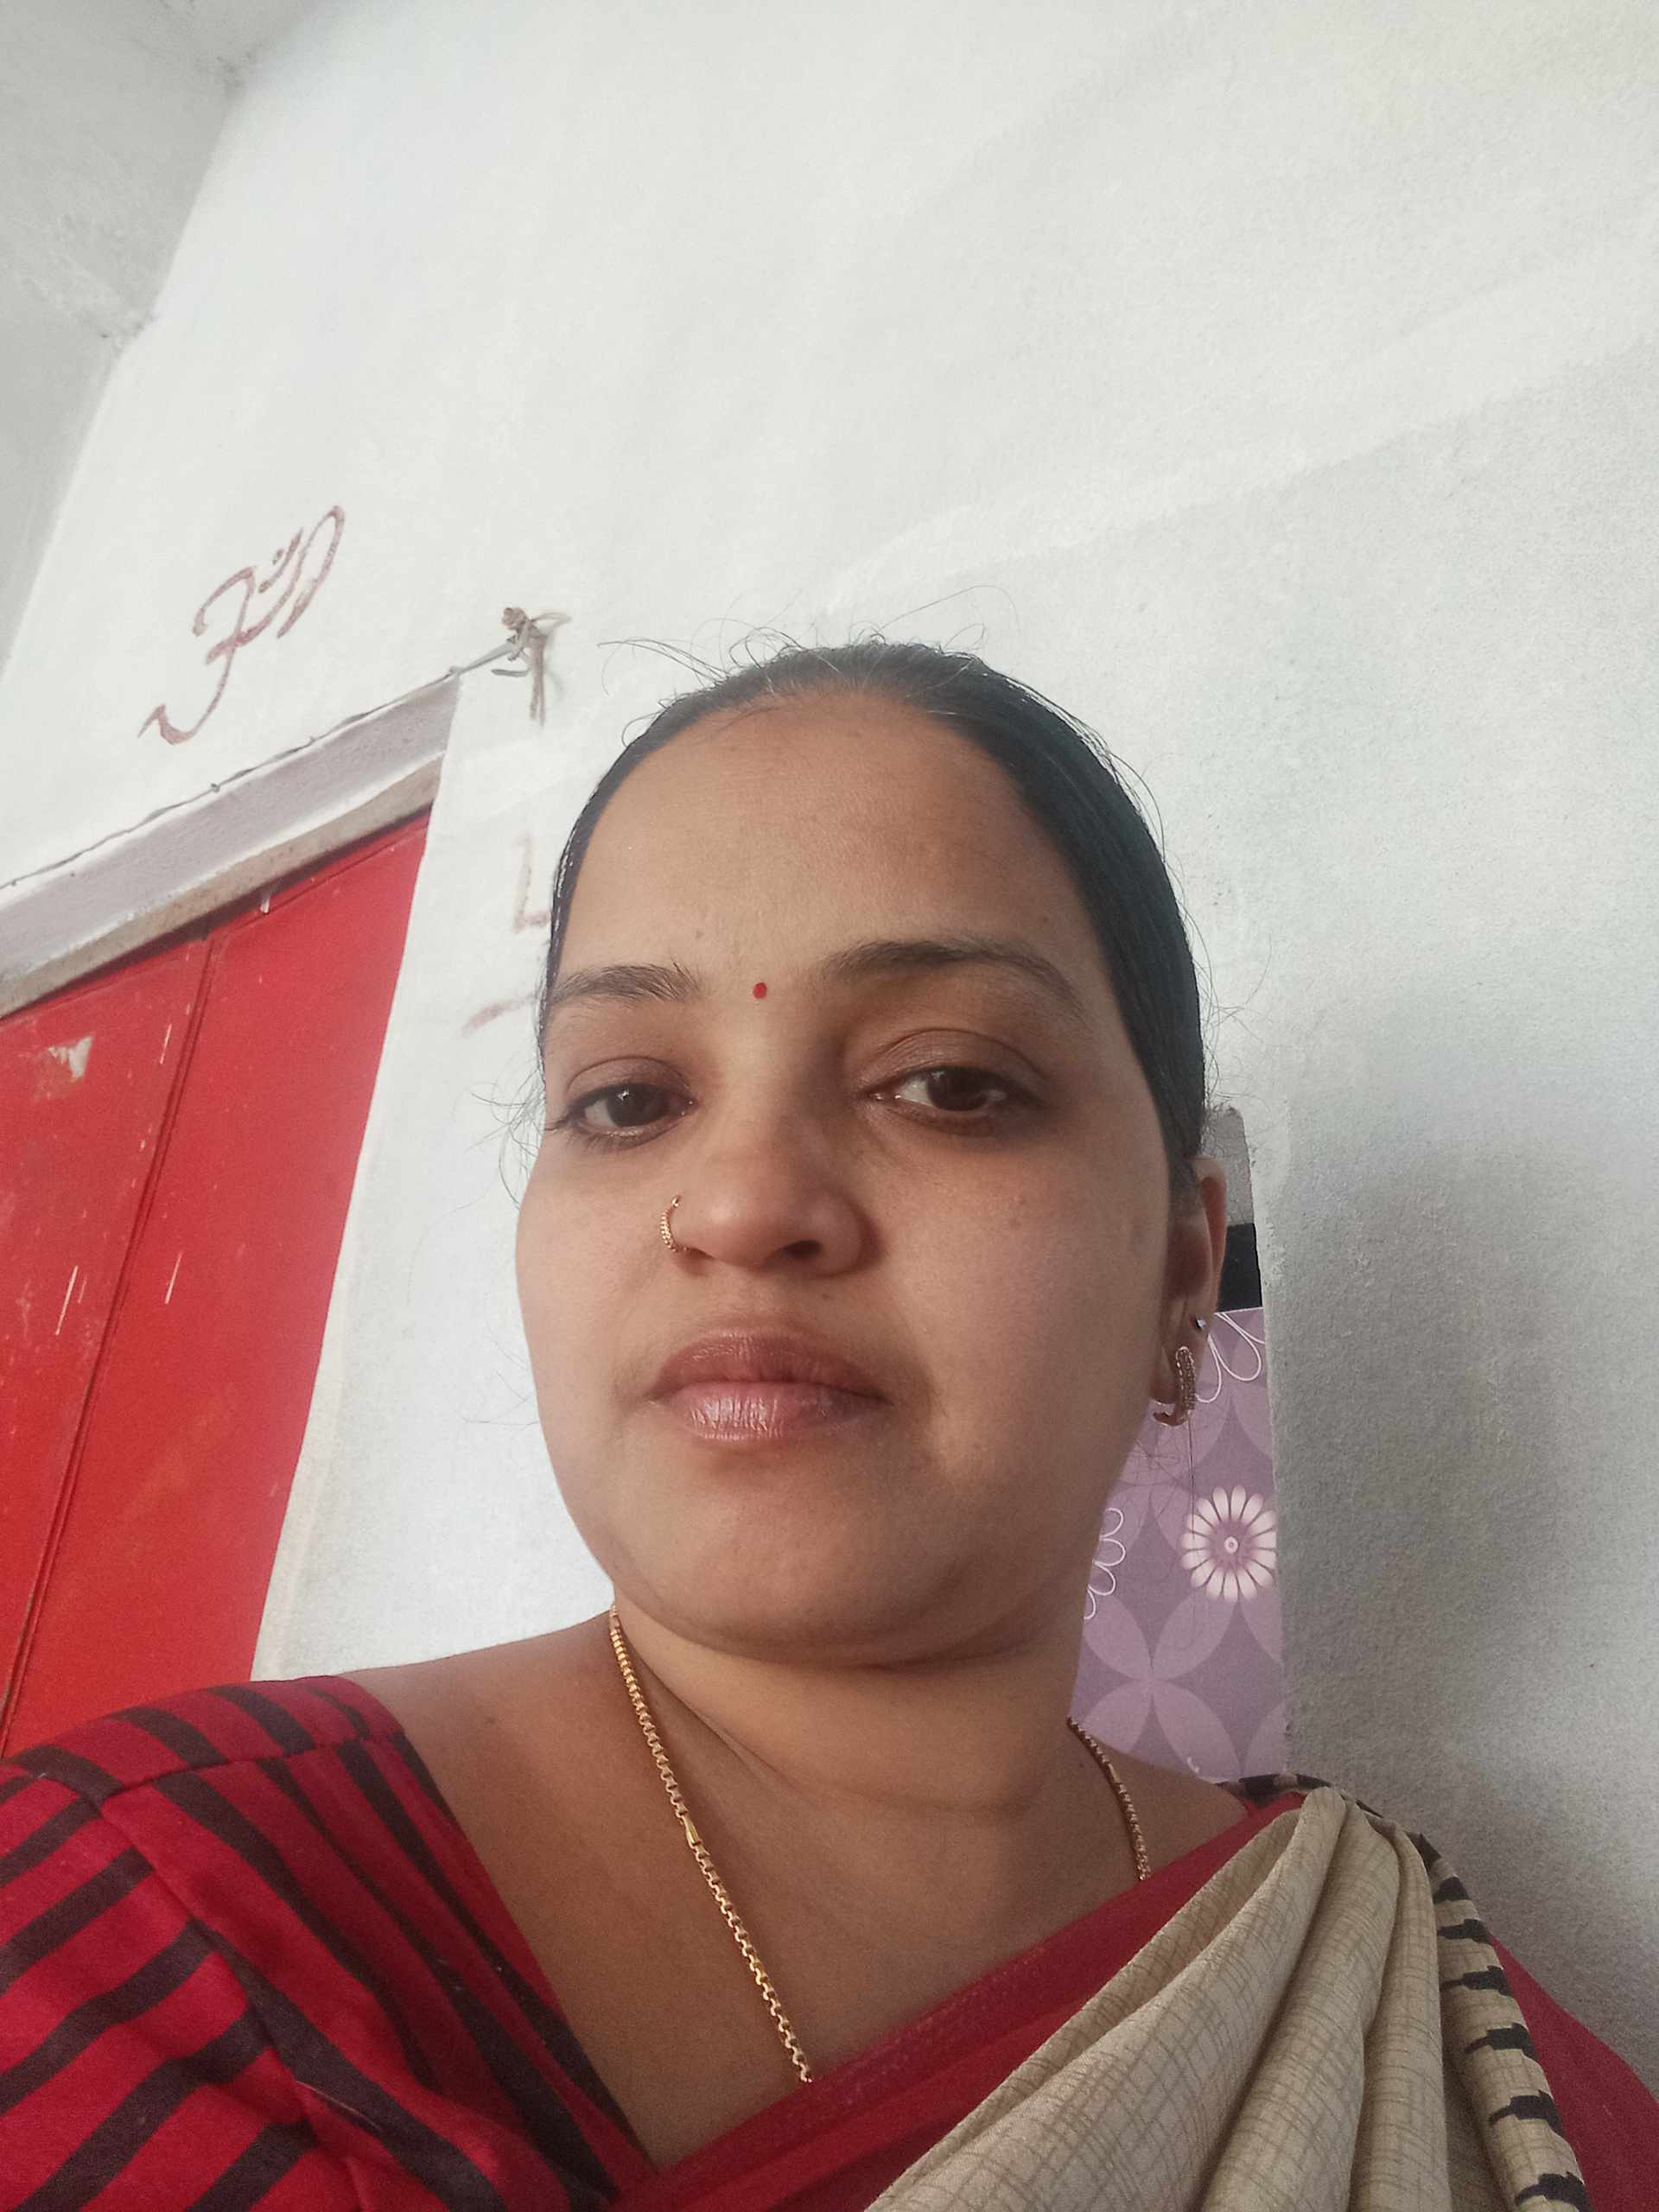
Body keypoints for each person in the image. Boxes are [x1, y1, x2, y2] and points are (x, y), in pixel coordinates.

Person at [2, 639, 1653, 2209]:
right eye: (628, 1099)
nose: (740, 1205)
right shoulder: (135, 1948)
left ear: (1179, 1268)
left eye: (949, 1082)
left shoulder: (1420, 2023)